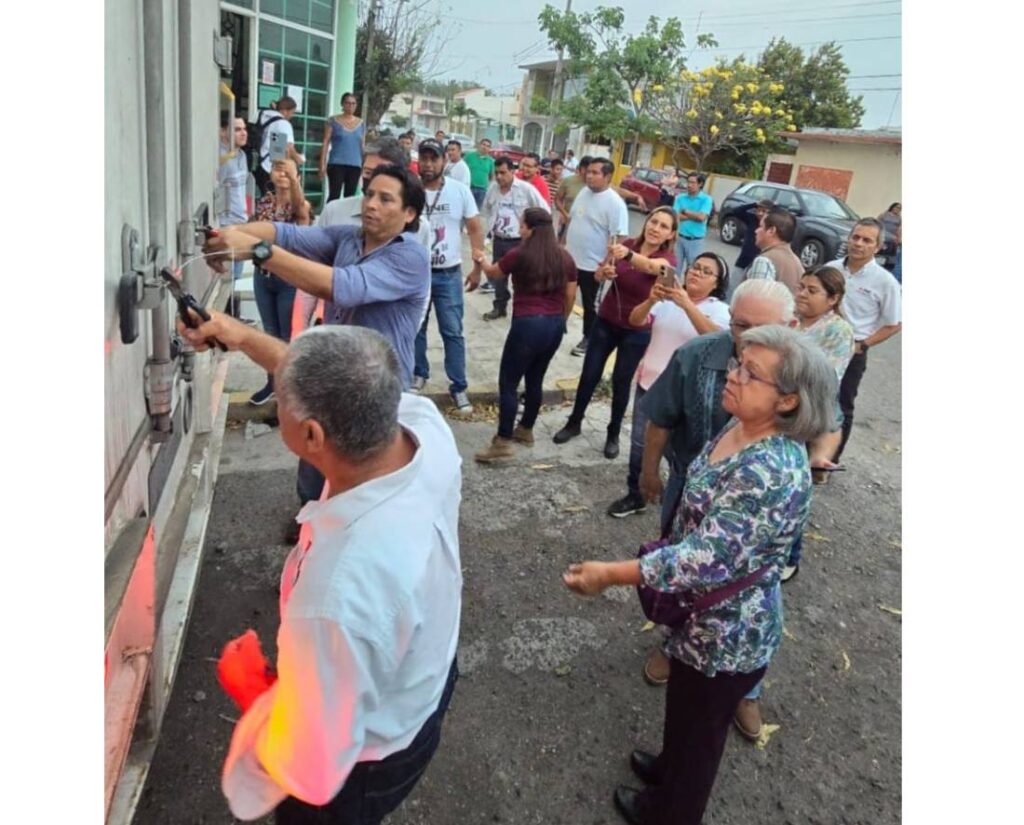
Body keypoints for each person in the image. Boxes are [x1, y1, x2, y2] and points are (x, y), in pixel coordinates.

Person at [178, 322, 462, 825]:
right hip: (422, 680)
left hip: (366, 764)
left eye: (282, 403)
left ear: (312, 435)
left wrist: (266, 701)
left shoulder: (337, 594)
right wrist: (240, 336)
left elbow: (312, 764)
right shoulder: (423, 426)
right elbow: (336, 378)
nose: (278, 405)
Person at [563, 325, 837, 825]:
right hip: (701, 621)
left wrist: (612, 574)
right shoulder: (740, 426)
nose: (732, 376)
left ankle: (670, 811)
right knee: (686, 714)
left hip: (727, 636)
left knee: (700, 736)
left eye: (750, 373)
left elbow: (703, 559)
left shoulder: (768, 470)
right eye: (738, 363)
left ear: (788, 401)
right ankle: (668, 769)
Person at [202, 165, 430, 514]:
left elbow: (342, 287)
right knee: (314, 457)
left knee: (364, 479)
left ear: (409, 213)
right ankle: (308, 518)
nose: (371, 204)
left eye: (386, 199)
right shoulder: (349, 239)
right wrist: (229, 236)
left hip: (377, 390)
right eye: (370, 194)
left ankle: (349, 531)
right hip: (332, 377)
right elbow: (286, 233)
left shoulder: (409, 256)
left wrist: (257, 251)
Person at [637, 279, 797, 686]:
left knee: (752, 588)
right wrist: (649, 471)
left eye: (765, 329)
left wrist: (814, 460)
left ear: (790, 325)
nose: (750, 341)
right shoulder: (695, 355)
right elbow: (661, 418)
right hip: (691, 493)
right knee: (682, 576)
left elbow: (829, 422)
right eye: (741, 326)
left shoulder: (804, 373)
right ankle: (674, 644)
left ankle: (747, 687)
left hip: (761, 511)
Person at [607, 252, 731, 518]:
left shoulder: (719, 310)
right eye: (695, 267)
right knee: (641, 444)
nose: (696, 273)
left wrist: (688, 305)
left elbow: (718, 340)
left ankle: (685, 498)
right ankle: (636, 493)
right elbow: (636, 320)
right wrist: (652, 299)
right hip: (650, 384)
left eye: (706, 271)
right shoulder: (667, 301)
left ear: (717, 283)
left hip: (688, 395)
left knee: (681, 450)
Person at [553, 206, 678, 458]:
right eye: (653, 221)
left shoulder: (668, 260)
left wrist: (628, 255)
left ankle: (613, 433)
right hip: (606, 321)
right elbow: (600, 274)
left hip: (638, 330)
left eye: (664, 226)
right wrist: (604, 272)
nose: (655, 228)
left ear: (671, 235)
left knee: (622, 382)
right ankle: (574, 422)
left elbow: (655, 269)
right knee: (589, 374)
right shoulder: (628, 244)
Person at [470, 208, 578, 462]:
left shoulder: (519, 254)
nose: (519, 230)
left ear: (530, 228)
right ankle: (526, 429)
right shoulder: (565, 257)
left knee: (508, 383)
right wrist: (561, 319)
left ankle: (502, 442)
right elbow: (571, 295)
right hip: (554, 325)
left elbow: (494, 273)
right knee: (535, 379)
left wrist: (480, 258)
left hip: (527, 325)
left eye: (522, 225)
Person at [413, 138, 485, 415]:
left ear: (445, 161)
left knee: (453, 331)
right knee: (416, 328)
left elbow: (475, 228)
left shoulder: (459, 191)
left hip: (448, 274)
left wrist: (477, 267)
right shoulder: (411, 191)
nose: (428, 164)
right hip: (417, 275)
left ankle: (458, 386)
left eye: (434, 158)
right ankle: (419, 373)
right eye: (424, 158)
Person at [826, 218, 902, 461]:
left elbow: (894, 324)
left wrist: (863, 345)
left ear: (877, 247)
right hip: (822, 344)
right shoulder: (831, 269)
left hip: (853, 350)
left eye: (867, 240)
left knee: (842, 406)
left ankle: (828, 462)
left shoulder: (885, 282)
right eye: (855, 237)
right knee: (809, 398)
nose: (858, 243)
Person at [248, 159, 312, 405]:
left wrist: (293, 181)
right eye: (277, 168)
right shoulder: (264, 202)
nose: (282, 172)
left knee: (288, 335)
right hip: (262, 276)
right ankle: (272, 382)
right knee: (270, 333)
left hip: (288, 279)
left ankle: (290, 387)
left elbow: (303, 218)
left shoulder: (300, 206)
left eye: (287, 169)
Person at [563, 158, 630, 357]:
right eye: (588, 172)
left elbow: (618, 238)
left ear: (607, 176)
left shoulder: (615, 203)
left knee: (590, 305)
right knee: (563, 296)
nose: (589, 175)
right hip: (570, 259)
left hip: (593, 266)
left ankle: (588, 338)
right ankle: (559, 326)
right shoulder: (584, 192)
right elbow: (572, 221)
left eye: (594, 172)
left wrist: (605, 265)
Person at [478, 155, 550, 318]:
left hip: (520, 242)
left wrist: (534, 233)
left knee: (522, 278)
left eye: (503, 173)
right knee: (498, 276)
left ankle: (523, 309)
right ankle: (499, 306)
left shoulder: (526, 189)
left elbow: (544, 210)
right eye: (496, 173)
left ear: (512, 171)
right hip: (499, 240)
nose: (499, 177)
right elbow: (486, 210)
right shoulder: (493, 189)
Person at [218, 115, 252, 319]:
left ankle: (235, 318)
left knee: (237, 275)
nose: (243, 132)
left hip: (242, 221)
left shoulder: (241, 156)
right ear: (223, 132)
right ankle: (226, 320)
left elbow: (243, 188)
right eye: (237, 129)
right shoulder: (220, 158)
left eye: (244, 128)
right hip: (226, 224)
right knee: (227, 277)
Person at [744, 207, 804, 296]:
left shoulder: (764, 260)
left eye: (760, 226)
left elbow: (756, 299)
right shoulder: (798, 264)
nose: (756, 231)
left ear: (771, 231)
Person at [320, 92, 365, 202]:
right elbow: (325, 142)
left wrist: (365, 165)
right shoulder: (333, 121)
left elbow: (362, 145)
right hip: (336, 163)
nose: (351, 106)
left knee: (349, 198)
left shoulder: (361, 123)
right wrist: (322, 164)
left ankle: (345, 219)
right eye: (348, 103)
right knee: (334, 195)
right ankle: (329, 218)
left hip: (355, 165)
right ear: (342, 104)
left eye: (354, 104)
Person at [257, 96, 304, 195]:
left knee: (266, 199)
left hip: (261, 164)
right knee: (276, 201)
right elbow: (288, 148)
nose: (292, 115)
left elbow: (276, 148)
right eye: (292, 112)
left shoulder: (263, 115)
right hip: (270, 168)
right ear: (285, 111)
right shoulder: (282, 123)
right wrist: (298, 159)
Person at [730, 198, 775, 294]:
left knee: (750, 292)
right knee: (733, 289)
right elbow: (736, 211)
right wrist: (754, 204)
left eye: (764, 211)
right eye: (758, 210)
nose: (760, 213)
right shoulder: (751, 218)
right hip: (743, 261)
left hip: (757, 263)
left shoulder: (772, 226)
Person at [673, 172, 714, 274]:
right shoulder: (680, 197)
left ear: (700, 184)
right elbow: (674, 216)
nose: (689, 185)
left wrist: (685, 211)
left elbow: (701, 217)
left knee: (692, 271)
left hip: (695, 241)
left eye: (693, 182)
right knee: (674, 269)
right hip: (679, 237)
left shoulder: (706, 199)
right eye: (688, 182)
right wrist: (693, 216)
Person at [554, 154, 590, 244]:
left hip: (586, 225)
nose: (589, 174)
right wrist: (564, 214)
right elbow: (557, 200)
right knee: (562, 249)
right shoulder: (568, 181)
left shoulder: (595, 185)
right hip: (567, 222)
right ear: (580, 168)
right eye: (586, 170)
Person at [464, 137, 495, 208]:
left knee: (476, 211)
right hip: (469, 188)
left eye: (488, 146)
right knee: (466, 209)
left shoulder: (490, 161)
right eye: (484, 144)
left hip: (482, 191)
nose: (485, 147)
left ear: (489, 149)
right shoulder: (469, 156)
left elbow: (492, 176)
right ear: (479, 145)